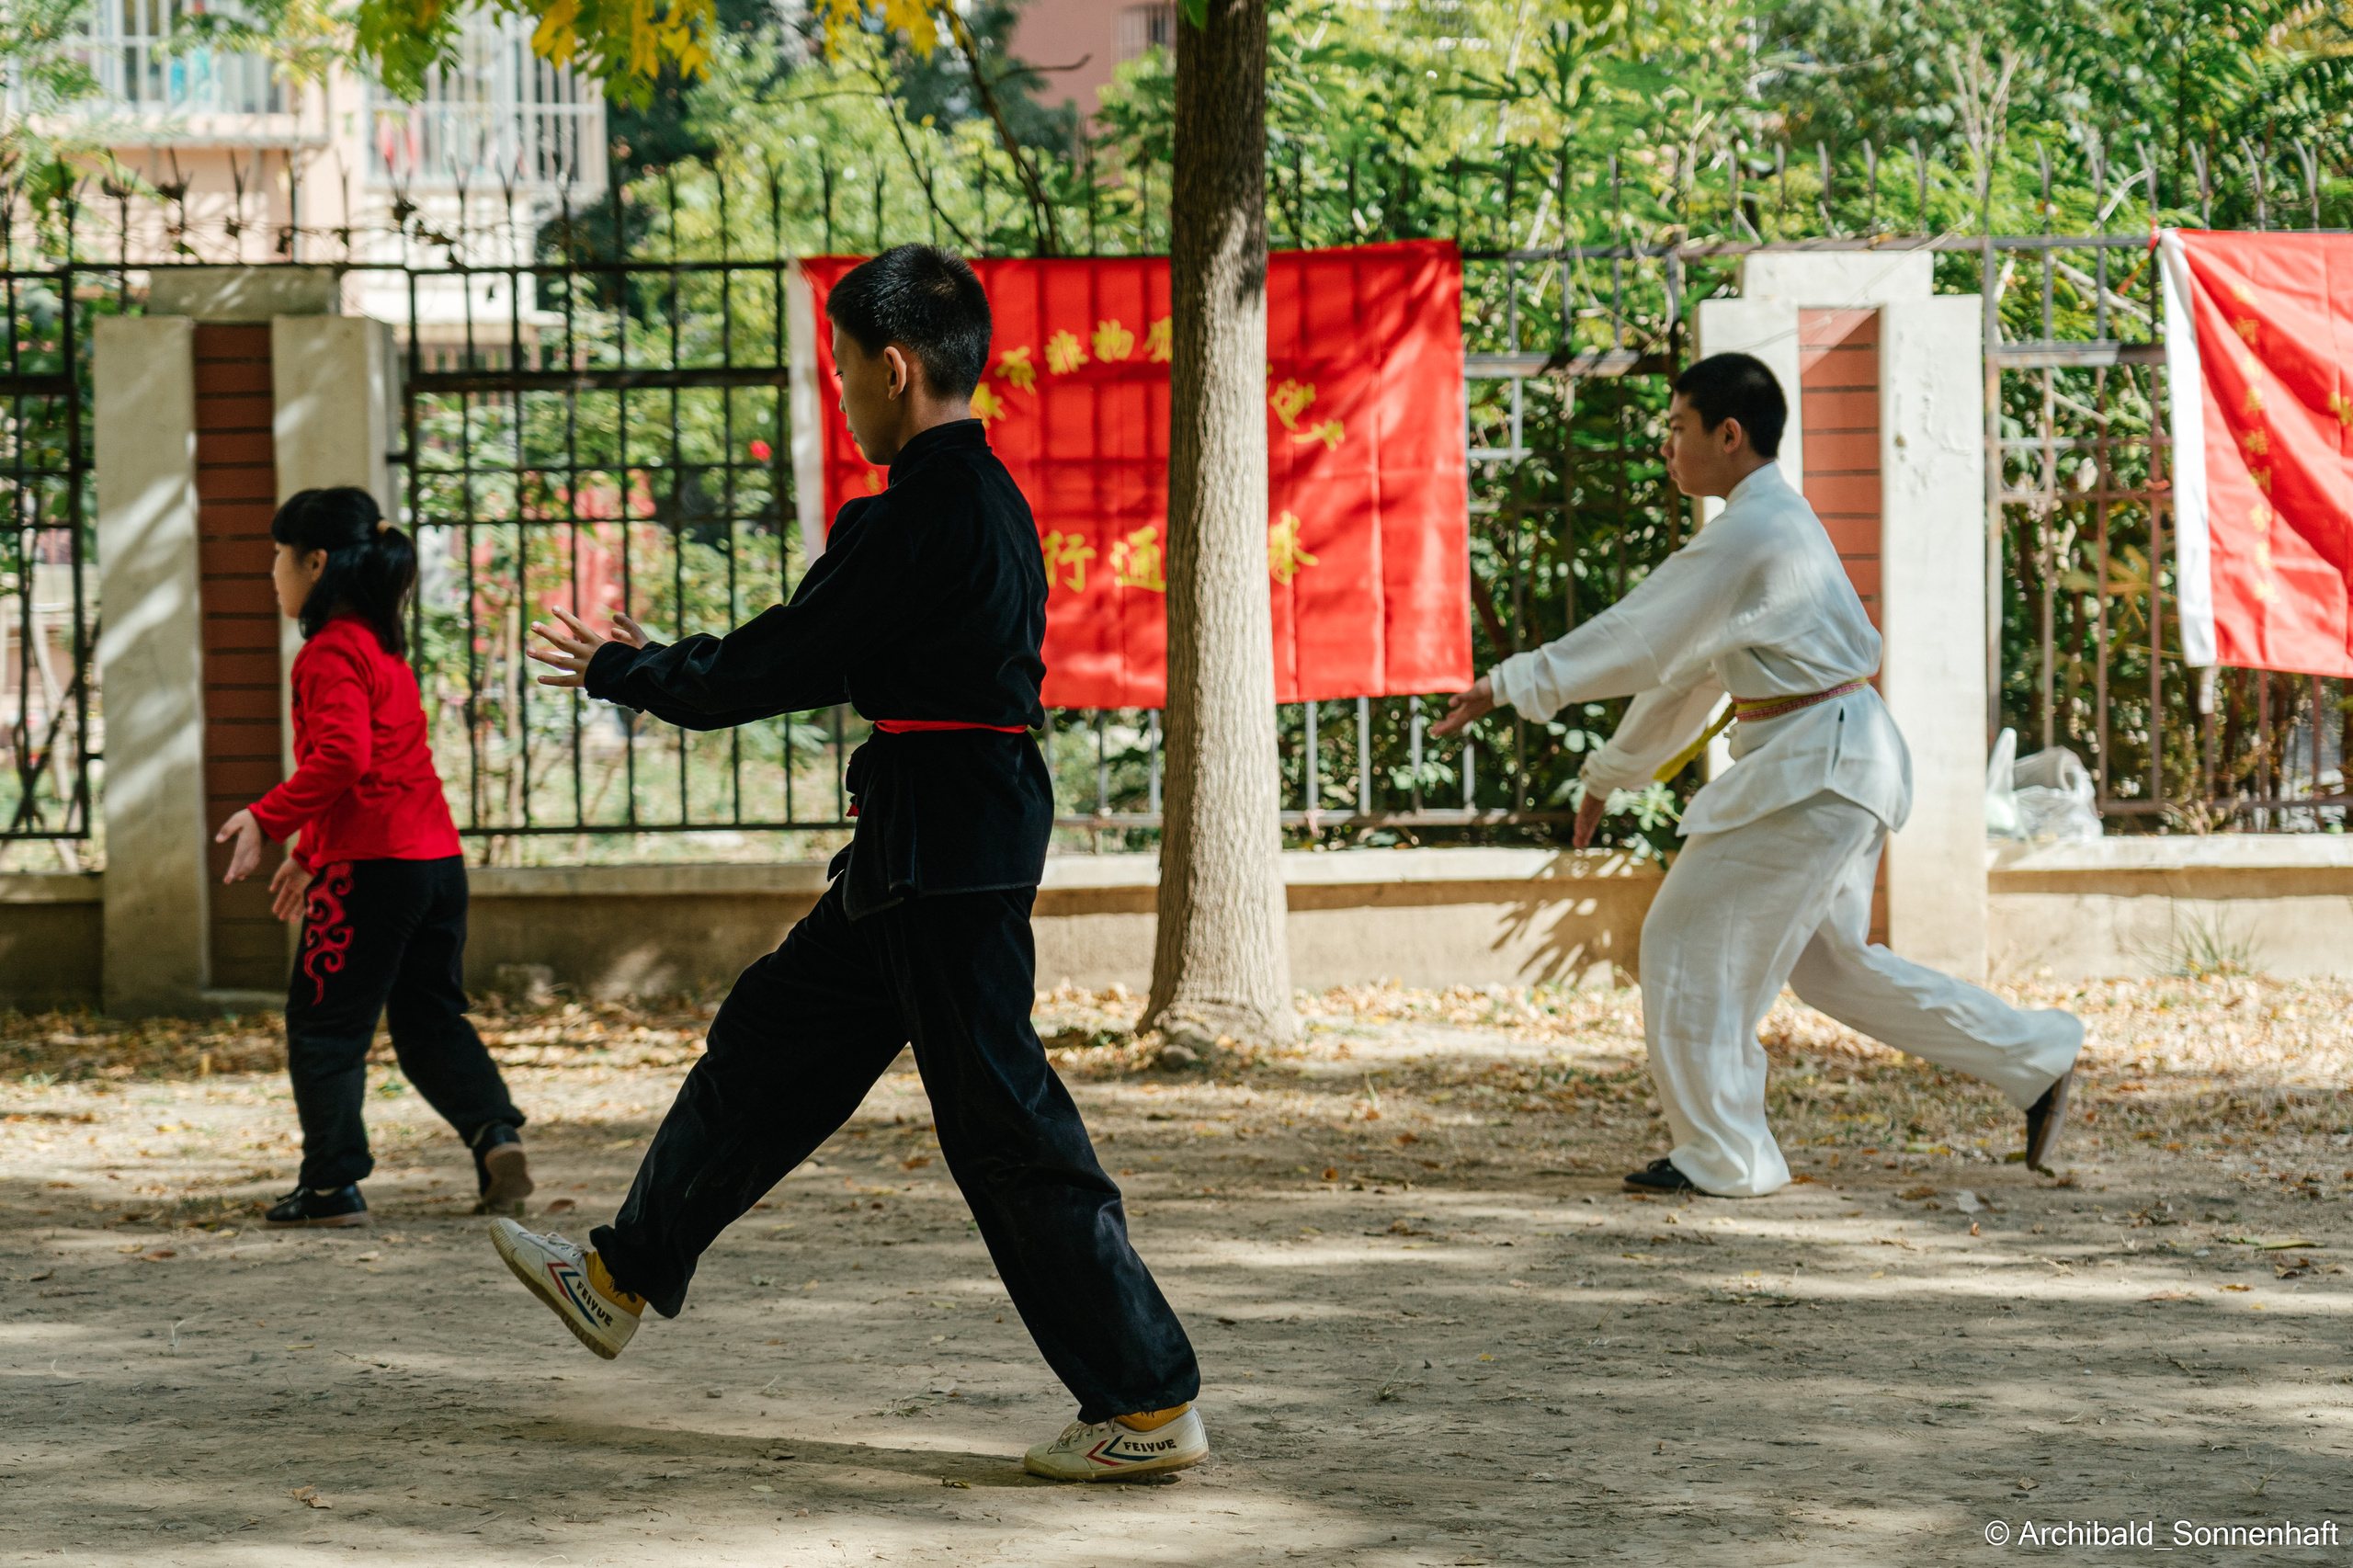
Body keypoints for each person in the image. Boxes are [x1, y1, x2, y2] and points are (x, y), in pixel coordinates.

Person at [486, 244, 1207, 1483]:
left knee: (1003, 1122)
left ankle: (1144, 1396)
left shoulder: (923, 512)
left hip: (945, 844)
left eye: (841, 374)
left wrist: (628, 668)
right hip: (930, 838)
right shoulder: (978, 498)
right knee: (772, 1040)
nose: (841, 395)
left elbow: (780, 661)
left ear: (894, 365)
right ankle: (619, 1274)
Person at [1433, 353, 2083, 1198]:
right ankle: (2035, 1056)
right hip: (1836, 762)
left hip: (1816, 769)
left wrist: (1509, 683)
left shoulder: (1754, 530)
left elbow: (1640, 635)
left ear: (1727, 435)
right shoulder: (1763, 528)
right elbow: (1689, 671)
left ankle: (1728, 1154)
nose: (1666, 444)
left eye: (1677, 427)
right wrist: (1609, 771)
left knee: (1680, 941)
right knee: (1832, 968)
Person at [217, 486, 534, 1228]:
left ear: (316, 562)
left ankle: (330, 1186)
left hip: (372, 874)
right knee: (429, 1019)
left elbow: (344, 759)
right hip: (433, 864)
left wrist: (267, 817)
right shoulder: (382, 648)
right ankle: (495, 1134)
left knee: (325, 1026)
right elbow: (384, 773)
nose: (271, 570)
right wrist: (310, 852)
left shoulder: (328, 653)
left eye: (278, 555)